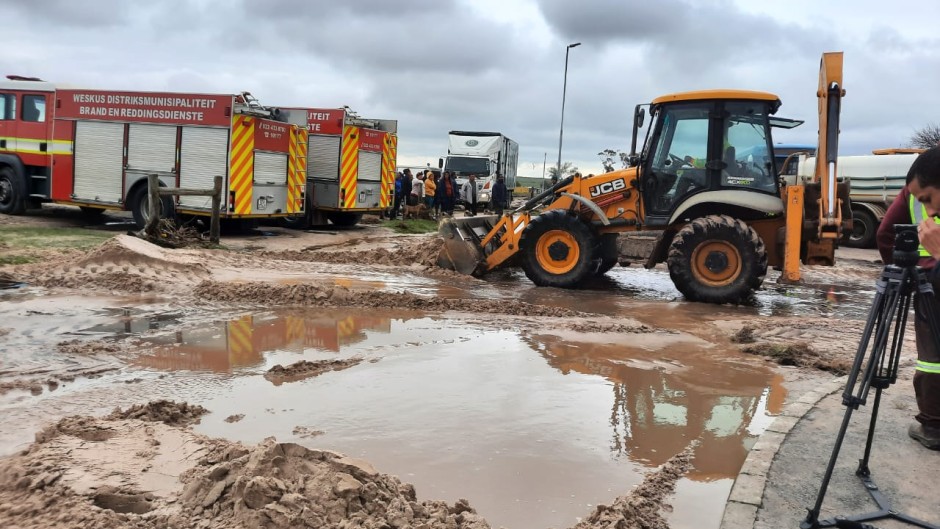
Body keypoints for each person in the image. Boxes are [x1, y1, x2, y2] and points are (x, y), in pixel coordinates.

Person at [875, 145, 940, 450]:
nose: (928, 212)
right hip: (930, 282)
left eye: (927, 198)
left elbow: (885, 234)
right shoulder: (914, 189)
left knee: (933, 359)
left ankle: (933, 425)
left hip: (929, 283)